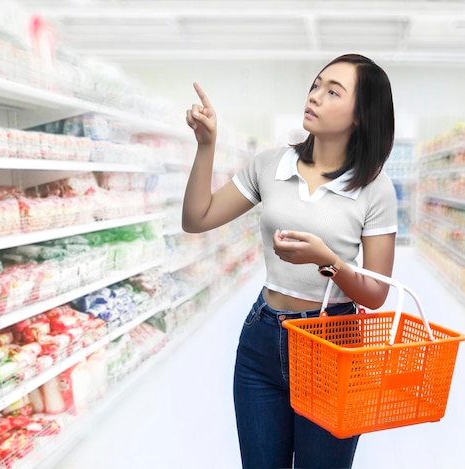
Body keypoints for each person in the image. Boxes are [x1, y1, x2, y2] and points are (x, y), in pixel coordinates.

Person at [183, 53, 397, 469]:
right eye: (316, 85)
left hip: (332, 343)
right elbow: (197, 218)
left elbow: (375, 295)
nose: (314, 96)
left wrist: (329, 261)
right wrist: (206, 145)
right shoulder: (269, 164)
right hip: (262, 339)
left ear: (362, 114)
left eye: (333, 91)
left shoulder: (375, 187)